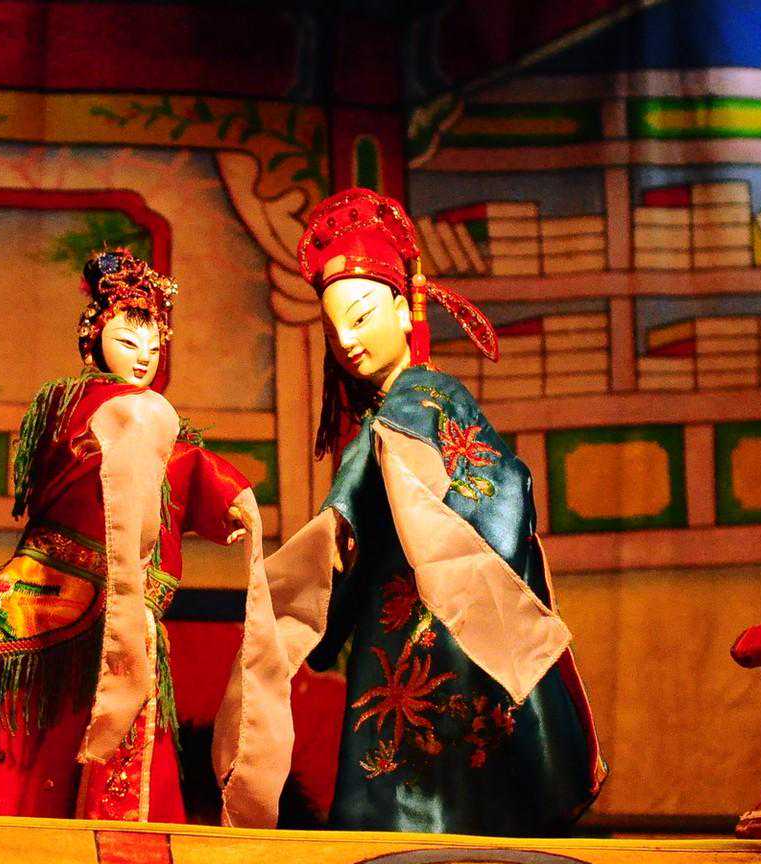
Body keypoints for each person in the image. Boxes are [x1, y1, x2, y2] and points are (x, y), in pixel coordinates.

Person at [214, 189, 606, 834]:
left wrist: (376, 512)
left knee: (425, 791)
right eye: (334, 330)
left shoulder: (422, 396)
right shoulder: (388, 416)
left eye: (362, 317)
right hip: (404, 615)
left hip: (446, 622)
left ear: (403, 309)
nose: (347, 341)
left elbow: (502, 485)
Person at [0, 249, 260, 822]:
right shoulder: (76, 405)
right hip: (64, 593)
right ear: (93, 340)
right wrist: (216, 482)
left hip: (110, 603)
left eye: (154, 347)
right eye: (128, 342)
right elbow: (152, 454)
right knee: (22, 736)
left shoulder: (145, 417)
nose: (143, 358)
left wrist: (221, 495)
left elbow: (171, 462)